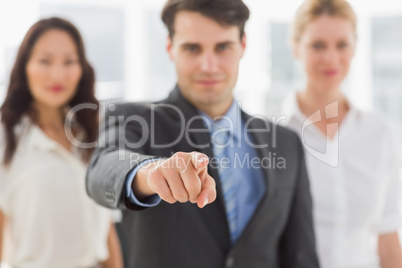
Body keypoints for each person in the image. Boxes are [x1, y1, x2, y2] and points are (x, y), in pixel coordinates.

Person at [86, 0, 319, 267]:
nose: (208, 65)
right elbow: (101, 170)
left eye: (223, 47)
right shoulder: (135, 120)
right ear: (170, 48)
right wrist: (150, 172)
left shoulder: (286, 143)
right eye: (192, 48)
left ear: (243, 45)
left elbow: (301, 255)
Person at [270, 0, 402, 267]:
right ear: (296, 47)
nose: (330, 58)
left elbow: (388, 240)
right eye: (317, 45)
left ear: (354, 48)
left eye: (342, 44)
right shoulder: (270, 133)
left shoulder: (381, 133)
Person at [0, 17, 123, 268]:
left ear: (81, 69)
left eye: (69, 61)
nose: (57, 74)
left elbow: (105, 226)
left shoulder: (91, 131)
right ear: (25, 67)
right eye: (45, 61)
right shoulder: (7, 139)